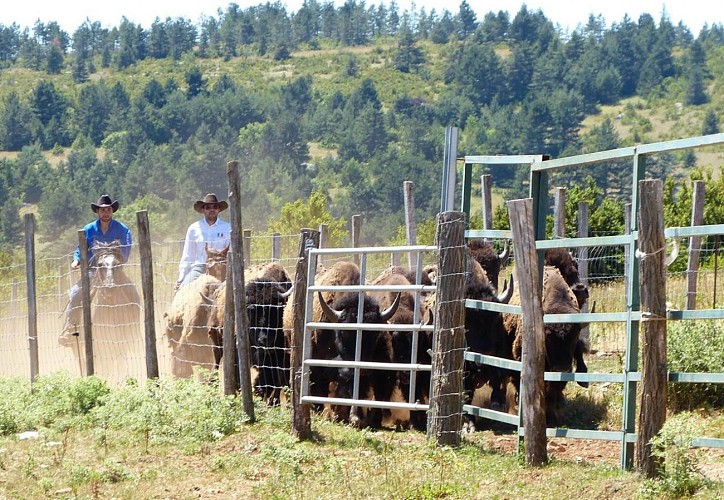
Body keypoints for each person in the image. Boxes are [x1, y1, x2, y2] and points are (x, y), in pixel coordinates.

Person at [61, 194, 133, 341]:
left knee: (134, 295)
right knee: (75, 294)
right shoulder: (89, 229)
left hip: (115, 269)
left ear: (112, 210)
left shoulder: (123, 230)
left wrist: (118, 260)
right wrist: (76, 260)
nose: (105, 213)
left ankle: (134, 329)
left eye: (108, 210)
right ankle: (70, 329)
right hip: (94, 270)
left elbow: (126, 251)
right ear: (97, 212)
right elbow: (80, 248)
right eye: (102, 210)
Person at [175, 193, 231, 290]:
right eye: (208, 207)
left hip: (222, 268)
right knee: (183, 292)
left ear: (219, 209)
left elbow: (232, 252)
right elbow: (188, 255)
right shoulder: (193, 229)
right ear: (203, 209)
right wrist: (182, 277)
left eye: (215, 207)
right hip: (200, 268)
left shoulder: (227, 228)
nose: (211, 209)